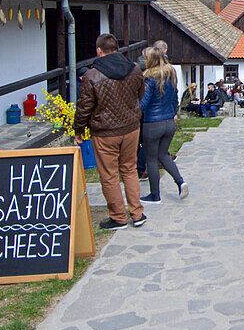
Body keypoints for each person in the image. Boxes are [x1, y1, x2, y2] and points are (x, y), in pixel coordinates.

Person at [73, 33, 147, 231]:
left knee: (109, 175)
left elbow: (84, 107)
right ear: (117, 48)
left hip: (105, 132)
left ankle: (118, 217)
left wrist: (78, 130)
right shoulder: (135, 69)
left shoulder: (91, 75)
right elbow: (140, 94)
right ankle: (137, 213)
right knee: (130, 170)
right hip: (131, 128)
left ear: (99, 50)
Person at [138, 47, 188, 205]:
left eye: (145, 59)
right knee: (163, 155)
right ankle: (180, 182)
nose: (143, 61)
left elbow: (144, 104)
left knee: (151, 160)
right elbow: (174, 99)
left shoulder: (149, 78)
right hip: (168, 122)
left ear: (151, 60)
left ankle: (155, 195)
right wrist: (173, 112)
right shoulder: (170, 75)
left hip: (153, 123)